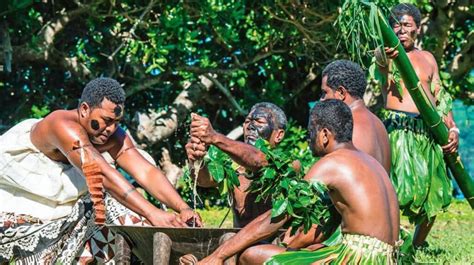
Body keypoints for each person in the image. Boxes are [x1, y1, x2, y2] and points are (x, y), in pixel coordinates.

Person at [0, 77, 201, 263]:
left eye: (116, 123)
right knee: (107, 198)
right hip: (20, 207)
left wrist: (183, 208)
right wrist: (154, 214)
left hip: (63, 209)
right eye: (106, 120)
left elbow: (145, 171)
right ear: (85, 109)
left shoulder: (111, 134)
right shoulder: (61, 125)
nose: (111, 129)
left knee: (115, 208)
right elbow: (102, 173)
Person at [198, 99, 400, 265]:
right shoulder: (370, 162)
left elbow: (274, 218)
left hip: (359, 259)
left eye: (311, 132)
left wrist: (218, 256)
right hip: (388, 258)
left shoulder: (331, 164)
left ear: (325, 135)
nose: (308, 137)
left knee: (250, 256)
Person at [377, 3, 459, 246]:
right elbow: (380, 60)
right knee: (391, 191)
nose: (401, 30)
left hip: (428, 131)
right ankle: (388, 243)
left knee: (433, 192)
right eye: (396, 26)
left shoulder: (428, 59)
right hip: (396, 129)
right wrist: (385, 53)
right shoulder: (388, 54)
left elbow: (440, 97)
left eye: (406, 25)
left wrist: (452, 128)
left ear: (417, 28)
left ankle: (416, 245)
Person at [186, 102, 287, 228]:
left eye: (259, 122)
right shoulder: (233, 166)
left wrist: (214, 137)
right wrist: (196, 159)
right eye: (247, 121)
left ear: (278, 135)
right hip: (237, 243)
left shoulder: (289, 166)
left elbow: (259, 160)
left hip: (275, 245)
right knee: (227, 237)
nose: (250, 126)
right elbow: (204, 180)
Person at [320, 59, 391, 172]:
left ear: (341, 93)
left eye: (325, 93)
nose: (321, 100)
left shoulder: (347, 127)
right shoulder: (379, 124)